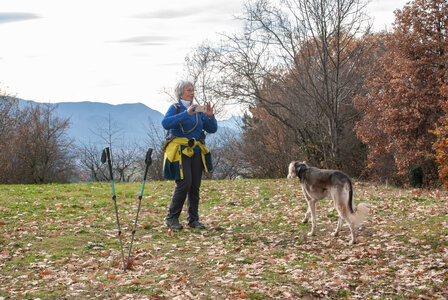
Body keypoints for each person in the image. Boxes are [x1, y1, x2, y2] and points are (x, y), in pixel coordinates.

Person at [161, 80, 218, 230]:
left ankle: (193, 220)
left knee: (194, 186)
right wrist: (186, 114)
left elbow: (212, 129)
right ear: (181, 93)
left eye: (193, 90)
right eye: (188, 90)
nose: (192, 93)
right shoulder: (176, 108)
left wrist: (211, 116)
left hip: (197, 151)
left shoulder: (199, 110)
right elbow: (166, 123)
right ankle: (171, 217)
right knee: (184, 183)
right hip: (180, 151)